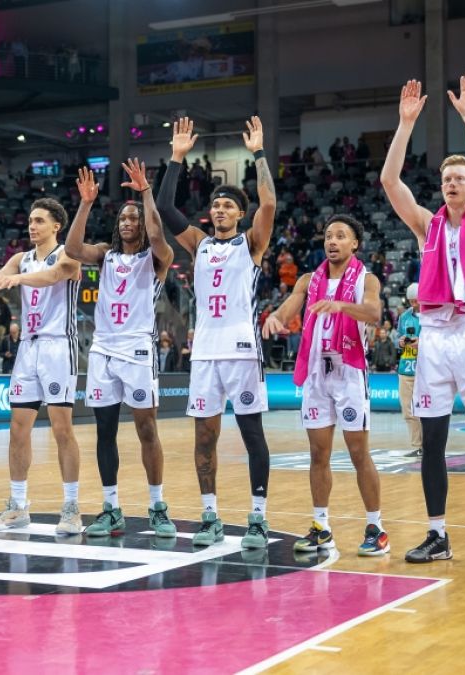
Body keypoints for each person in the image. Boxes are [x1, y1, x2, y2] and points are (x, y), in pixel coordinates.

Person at [380, 74, 465, 569]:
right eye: (445, 179)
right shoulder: (426, 226)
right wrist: (405, 124)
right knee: (431, 443)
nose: (451, 183)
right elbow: (390, 182)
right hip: (435, 338)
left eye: (459, 177)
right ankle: (438, 535)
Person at [157, 117, 276, 549]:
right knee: (203, 437)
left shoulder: (252, 243)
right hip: (205, 352)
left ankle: (258, 518)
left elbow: (268, 204)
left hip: (242, 351)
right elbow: (166, 208)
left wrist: (259, 153)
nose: (220, 209)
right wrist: (175, 158)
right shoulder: (199, 243)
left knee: (251, 435)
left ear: (239, 214)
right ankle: (210, 515)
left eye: (228, 205)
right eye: (216, 205)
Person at [62, 161, 177, 537]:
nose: (128, 222)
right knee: (104, 430)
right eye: (124, 218)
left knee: (146, 429)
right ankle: (111, 507)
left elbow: (160, 236)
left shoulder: (157, 258)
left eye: (135, 218)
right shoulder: (105, 254)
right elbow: (73, 247)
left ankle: (157, 505)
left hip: (138, 350)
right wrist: (85, 204)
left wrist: (145, 195)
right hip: (103, 350)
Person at [263, 214, 388, 556]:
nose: (332, 241)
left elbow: (375, 314)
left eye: (341, 236)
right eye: (329, 236)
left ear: (355, 244)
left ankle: (376, 528)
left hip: (349, 373)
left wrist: (343, 306)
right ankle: (322, 527)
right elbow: (291, 307)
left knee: (359, 453)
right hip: (318, 372)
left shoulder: (367, 279)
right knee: (318, 454)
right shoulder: (309, 278)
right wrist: (276, 317)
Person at [0, 194, 83, 534]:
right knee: (18, 429)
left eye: (39, 221)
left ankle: (71, 507)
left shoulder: (69, 254)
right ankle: (18, 506)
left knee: (63, 429)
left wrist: (14, 280)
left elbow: (52, 277)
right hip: (27, 349)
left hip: (58, 347)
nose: (32, 226)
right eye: (30, 221)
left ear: (56, 226)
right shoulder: (20, 258)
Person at [397, 283, 423, 457]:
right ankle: (417, 446)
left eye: (416, 300)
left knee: (428, 410)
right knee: (408, 409)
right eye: (411, 301)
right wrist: (400, 341)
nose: (413, 303)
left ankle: (431, 445)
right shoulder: (404, 316)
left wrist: (421, 342)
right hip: (406, 366)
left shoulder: (433, 315)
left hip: (427, 368)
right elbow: (399, 336)